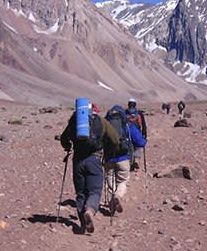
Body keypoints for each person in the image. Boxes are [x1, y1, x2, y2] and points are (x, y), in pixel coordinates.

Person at [60, 103, 119, 233]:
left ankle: (82, 224)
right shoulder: (101, 121)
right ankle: (90, 211)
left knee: (81, 194)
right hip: (95, 159)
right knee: (95, 190)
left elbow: (64, 138)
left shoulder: (75, 120)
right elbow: (115, 139)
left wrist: (68, 147)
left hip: (78, 161)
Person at [104, 105, 146, 214]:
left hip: (109, 159)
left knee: (110, 181)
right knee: (122, 181)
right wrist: (144, 141)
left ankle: (112, 203)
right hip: (124, 158)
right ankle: (118, 196)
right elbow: (140, 142)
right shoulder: (128, 126)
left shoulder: (105, 126)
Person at [125, 98, 146, 171]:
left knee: (129, 147)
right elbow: (143, 125)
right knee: (138, 146)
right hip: (137, 132)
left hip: (127, 133)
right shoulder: (139, 114)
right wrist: (144, 134)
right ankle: (136, 160)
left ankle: (129, 162)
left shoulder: (125, 113)